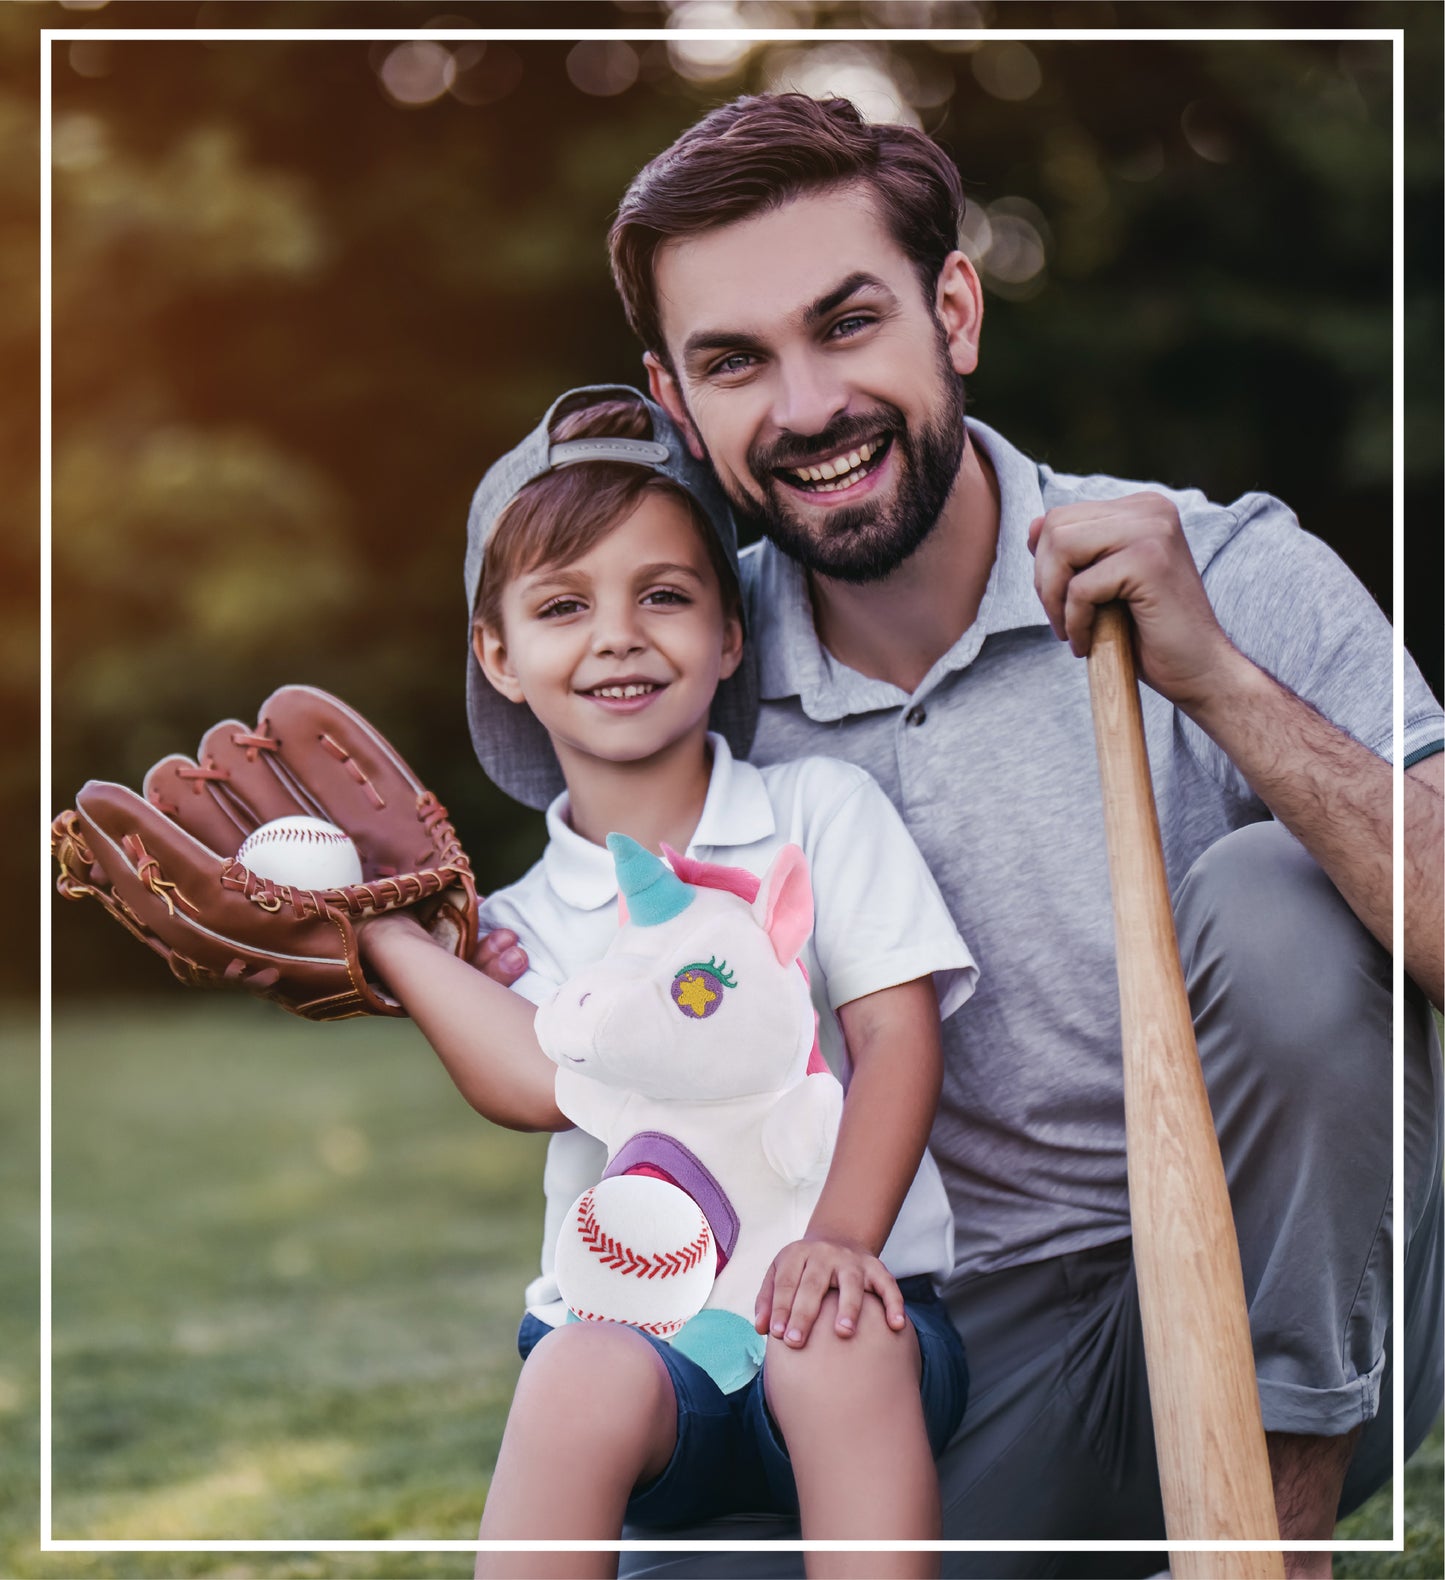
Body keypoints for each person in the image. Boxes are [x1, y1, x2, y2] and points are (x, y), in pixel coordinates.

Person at [477, 94, 1443, 1579]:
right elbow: (568, 936)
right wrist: (382, 939)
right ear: (675, 399)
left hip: (1280, 1297)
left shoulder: (1222, 566)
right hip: (921, 1348)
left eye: (846, 323)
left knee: (1277, 901)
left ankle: (1266, 1553)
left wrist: (1218, 682)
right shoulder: (682, 661)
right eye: (735, 362)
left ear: (954, 310)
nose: (806, 406)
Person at [363, 385, 977, 1579]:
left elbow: (898, 1038)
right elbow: (540, 1081)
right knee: (572, 1370)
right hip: (648, 1352)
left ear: (729, 633)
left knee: (833, 1336)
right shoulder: (515, 924)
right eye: (561, 605)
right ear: (497, 653)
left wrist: (838, 1239)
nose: (617, 635)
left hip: (859, 1317)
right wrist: (391, 936)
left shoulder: (815, 812)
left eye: (663, 594)